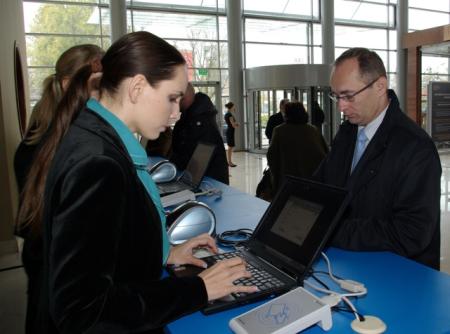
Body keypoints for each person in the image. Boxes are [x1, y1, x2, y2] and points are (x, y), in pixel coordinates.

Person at [16, 31, 256, 333]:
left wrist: (162, 252)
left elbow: (101, 247)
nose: (176, 111)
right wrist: (199, 289)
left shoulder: (92, 136)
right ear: (138, 87)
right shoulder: (99, 164)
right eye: (171, 98)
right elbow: (82, 310)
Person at [313, 47, 441, 269]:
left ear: (380, 86)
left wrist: (330, 228)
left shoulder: (415, 147)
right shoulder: (347, 133)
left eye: (348, 95)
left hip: (400, 277)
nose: (341, 106)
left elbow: (412, 232)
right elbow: (320, 185)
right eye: (336, 96)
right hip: (349, 266)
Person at [13, 44, 104, 334]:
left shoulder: (47, 127)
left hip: (43, 255)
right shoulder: (66, 139)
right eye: (99, 84)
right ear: (69, 84)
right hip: (52, 262)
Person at [171, 83, 229, 184]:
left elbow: (194, 159)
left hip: (208, 184)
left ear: (183, 98)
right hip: (201, 180)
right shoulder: (189, 117)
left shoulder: (200, 122)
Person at [267, 101, 328, 196]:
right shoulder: (313, 130)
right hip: (311, 180)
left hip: (287, 180)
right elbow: (325, 154)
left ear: (287, 114)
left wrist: (275, 176)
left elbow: (271, 156)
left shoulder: (279, 130)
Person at [224, 101, 239, 167]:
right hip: (230, 131)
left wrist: (235, 124)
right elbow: (233, 125)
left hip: (230, 131)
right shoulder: (229, 115)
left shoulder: (228, 113)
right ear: (231, 107)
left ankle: (229, 161)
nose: (234, 107)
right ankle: (229, 162)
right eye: (233, 106)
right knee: (230, 147)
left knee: (230, 147)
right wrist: (236, 124)